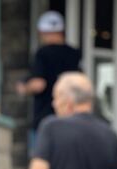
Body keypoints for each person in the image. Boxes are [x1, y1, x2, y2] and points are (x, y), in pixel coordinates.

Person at [16, 11, 82, 147]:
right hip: (70, 116)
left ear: (42, 32)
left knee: (42, 160)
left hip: (45, 119)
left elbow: (38, 84)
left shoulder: (42, 53)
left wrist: (24, 88)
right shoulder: (74, 54)